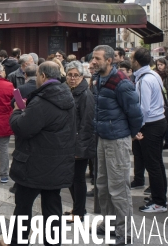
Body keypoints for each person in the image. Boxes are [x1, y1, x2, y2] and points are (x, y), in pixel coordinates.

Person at [3, 62, 75, 246]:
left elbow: (23, 128)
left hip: (34, 163)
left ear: (42, 76)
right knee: (52, 206)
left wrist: (17, 112)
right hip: (57, 162)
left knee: (23, 206)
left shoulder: (43, 100)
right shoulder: (66, 96)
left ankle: (17, 241)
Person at [92, 45, 143, 246]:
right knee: (103, 186)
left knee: (119, 189)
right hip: (103, 138)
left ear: (109, 60)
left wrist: (127, 136)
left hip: (116, 140)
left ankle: (125, 232)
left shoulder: (121, 83)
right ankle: (109, 224)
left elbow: (136, 114)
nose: (93, 61)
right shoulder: (98, 79)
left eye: (97, 58)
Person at [131, 47, 168, 213]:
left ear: (137, 62)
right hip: (158, 121)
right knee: (157, 163)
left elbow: (143, 108)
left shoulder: (144, 79)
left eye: (132, 59)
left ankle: (159, 202)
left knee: (152, 164)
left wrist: (137, 128)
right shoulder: (154, 75)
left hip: (151, 124)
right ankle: (158, 196)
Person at [64, 61, 95, 221]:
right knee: (70, 177)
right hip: (69, 142)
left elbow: (87, 123)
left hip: (80, 144)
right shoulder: (70, 91)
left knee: (78, 178)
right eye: (70, 75)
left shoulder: (85, 95)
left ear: (82, 77)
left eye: (76, 75)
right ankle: (78, 207)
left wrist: (80, 148)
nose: (72, 78)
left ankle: (79, 212)